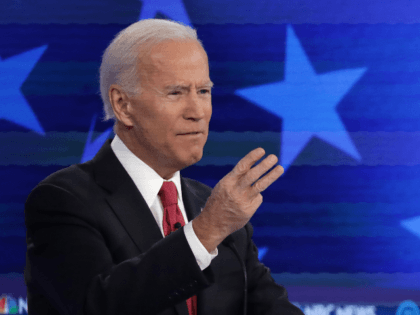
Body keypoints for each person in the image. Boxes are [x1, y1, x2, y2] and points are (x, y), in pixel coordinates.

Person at [24, 19, 304, 315]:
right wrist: (206, 232)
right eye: (176, 93)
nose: (197, 112)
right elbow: (95, 306)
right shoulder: (62, 200)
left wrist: (213, 225)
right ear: (123, 105)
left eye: (204, 92)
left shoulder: (215, 208)